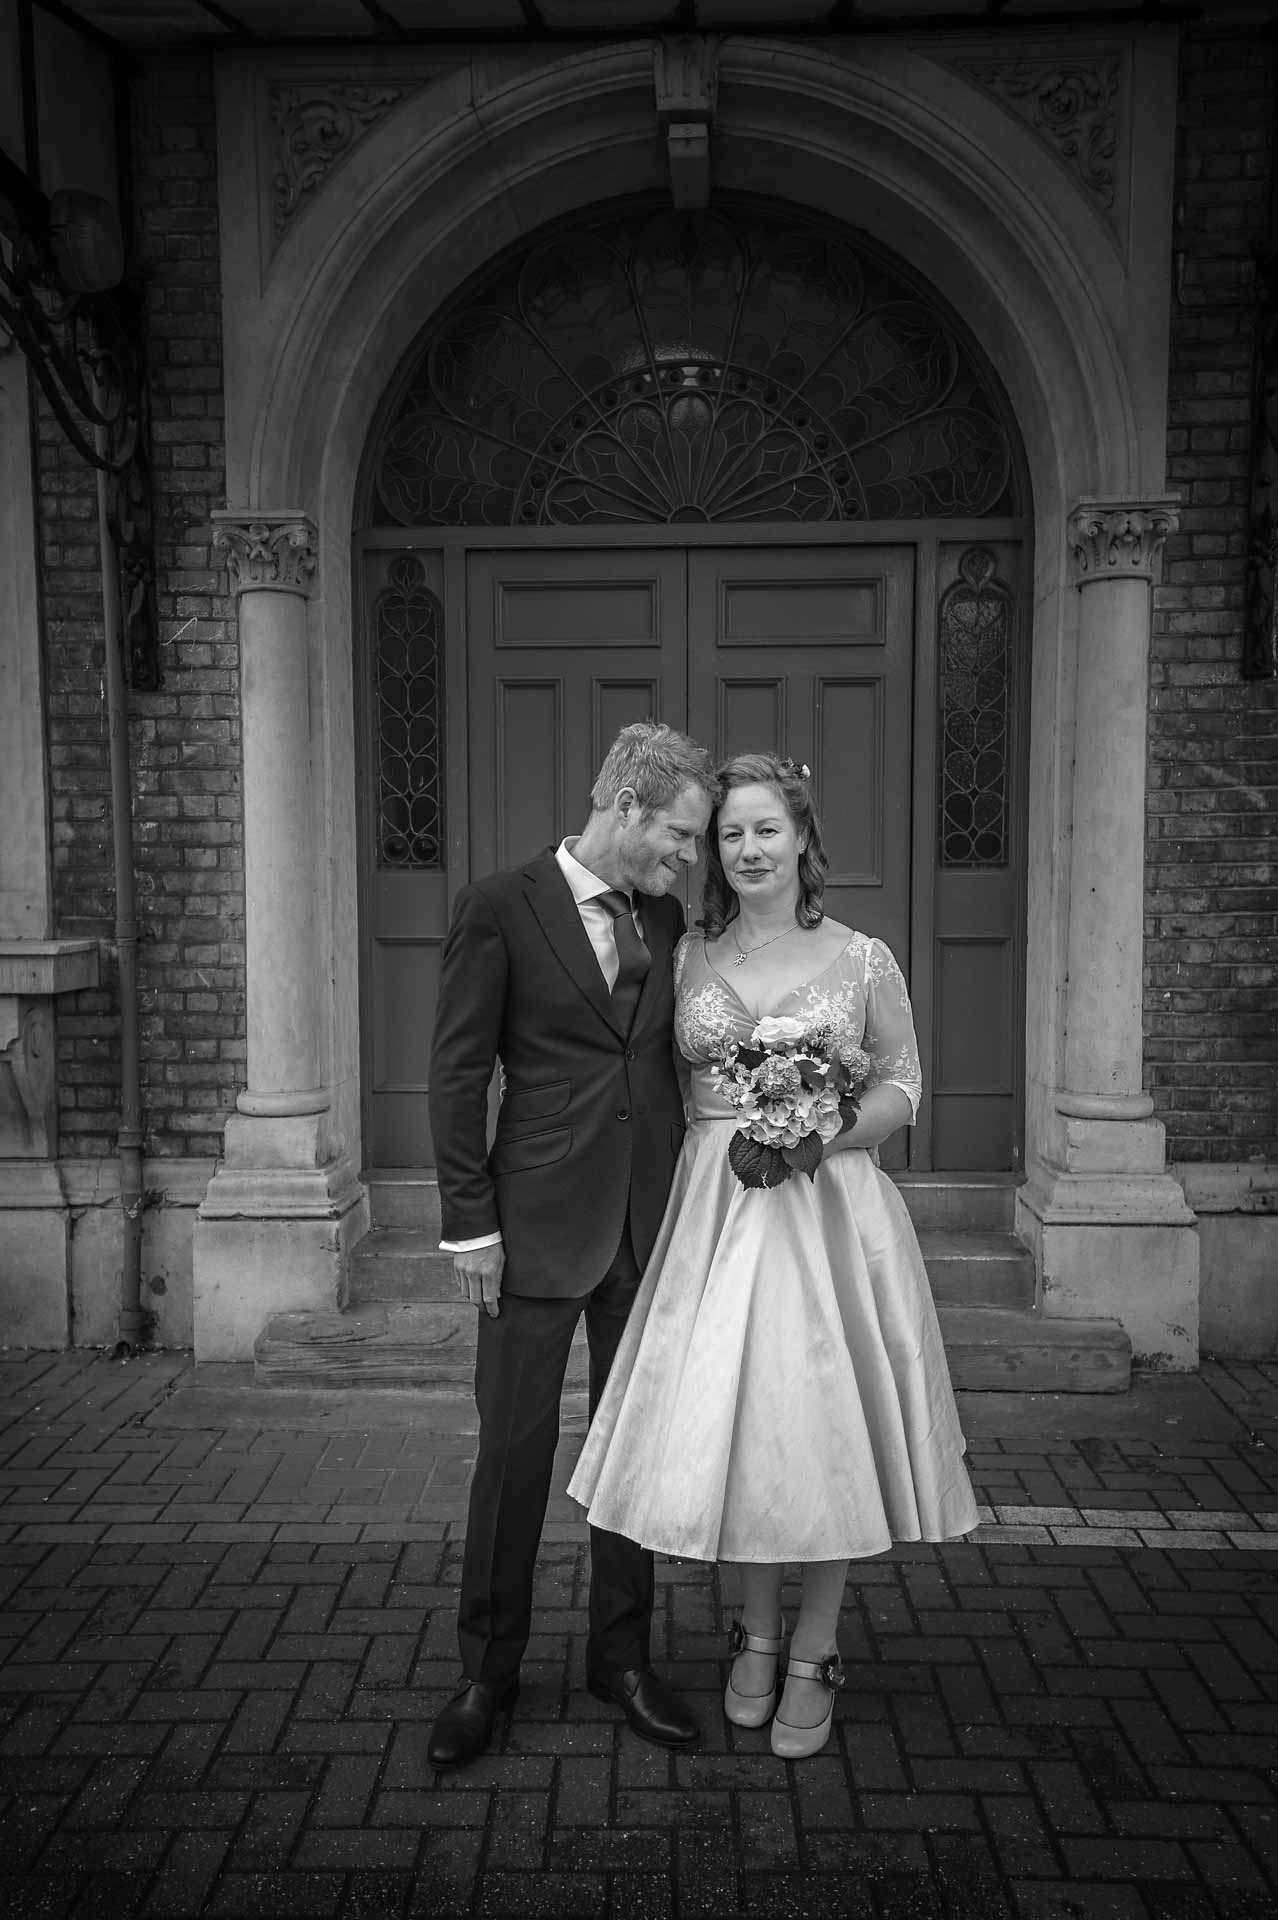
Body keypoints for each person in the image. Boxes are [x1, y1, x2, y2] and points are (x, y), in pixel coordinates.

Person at [568, 751, 979, 1761]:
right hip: (714, 1213)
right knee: (746, 1430)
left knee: (825, 1430)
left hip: (828, 1211)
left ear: (802, 838)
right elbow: (642, 1078)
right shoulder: (684, 954)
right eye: (729, 834)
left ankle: (816, 1652)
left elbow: (901, 1084)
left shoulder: (864, 958)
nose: (747, 849)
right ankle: (754, 1638)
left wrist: (818, 1136)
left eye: (765, 828)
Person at [425, 721, 719, 1770]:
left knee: (630, 1452)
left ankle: (621, 1658)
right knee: (513, 1453)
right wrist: (471, 1225)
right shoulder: (500, 907)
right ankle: (487, 1672)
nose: (689, 857)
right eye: (679, 836)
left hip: (645, 1221)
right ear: (627, 808)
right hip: (532, 1224)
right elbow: (459, 1075)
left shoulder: (667, 916)